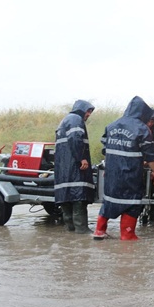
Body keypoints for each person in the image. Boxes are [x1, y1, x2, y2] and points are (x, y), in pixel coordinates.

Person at [93, 96, 154, 240]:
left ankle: (99, 231)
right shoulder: (142, 129)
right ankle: (127, 235)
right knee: (131, 203)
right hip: (130, 174)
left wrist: (108, 167)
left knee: (109, 200)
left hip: (112, 173)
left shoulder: (111, 126)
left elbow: (106, 150)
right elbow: (150, 155)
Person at [54, 100, 96, 234]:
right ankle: (82, 231)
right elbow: (75, 139)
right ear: (81, 109)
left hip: (63, 170)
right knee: (79, 199)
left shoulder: (65, 120)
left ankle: (71, 233)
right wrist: (81, 158)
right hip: (74, 169)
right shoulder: (76, 119)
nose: (89, 114)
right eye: (88, 111)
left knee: (66, 200)